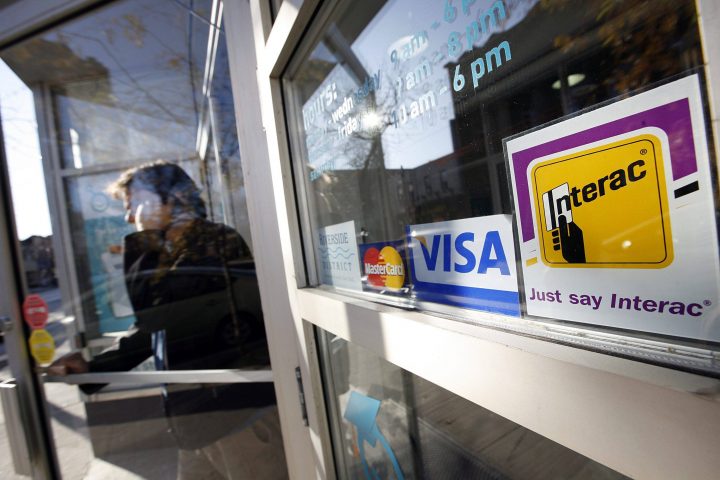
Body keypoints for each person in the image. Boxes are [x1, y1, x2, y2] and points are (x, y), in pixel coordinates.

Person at [49, 160, 288, 479]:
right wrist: (93, 369)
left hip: (236, 414)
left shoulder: (214, 243)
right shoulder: (168, 252)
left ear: (169, 198)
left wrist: (140, 245)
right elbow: (152, 326)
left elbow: (164, 319)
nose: (129, 216)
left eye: (133, 203)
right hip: (194, 416)